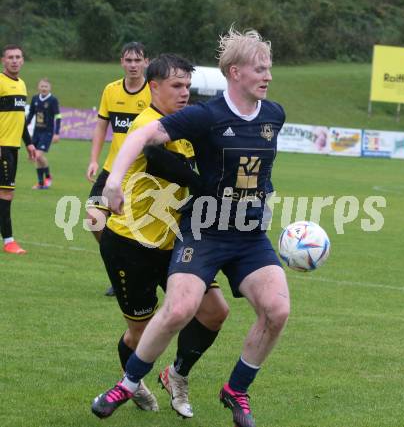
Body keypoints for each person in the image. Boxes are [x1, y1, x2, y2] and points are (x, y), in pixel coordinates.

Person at [93, 28, 291, 427]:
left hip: (249, 234)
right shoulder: (208, 115)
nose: (268, 76)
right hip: (204, 229)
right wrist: (111, 180)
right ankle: (129, 383)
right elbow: (147, 134)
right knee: (180, 308)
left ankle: (236, 389)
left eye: (269, 68)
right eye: (259, 69)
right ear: (235, 72)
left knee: (277, 309)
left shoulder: (275, 114)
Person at [93, 54, 229, 418]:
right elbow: (158, 160)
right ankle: (132, 382)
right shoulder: (148, 124)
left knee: (215, 311)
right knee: (140, 336)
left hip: (178, 244)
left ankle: (177, 374)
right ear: (154, 87)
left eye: (188, 86)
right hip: (130, 246)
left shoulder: (183, 125)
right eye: (176, 86)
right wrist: (204, 186)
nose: (184, 93)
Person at [85, 41, 150, 296]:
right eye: (129, 60)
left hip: (142, 172)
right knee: (94, 219)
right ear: (122, 62)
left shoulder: (153, 92)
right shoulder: (111, 90)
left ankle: (138, 275)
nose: (133, 65)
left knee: (136, 230)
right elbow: (101, 126)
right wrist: (93, 159)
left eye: (138, 60)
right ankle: (119, 268)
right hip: (113, 169)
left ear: (146, 62)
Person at [0, 44, 36, 254]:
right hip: (2, 147)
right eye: (10, 57)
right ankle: (9, 241)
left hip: (13, 148)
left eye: (18, 57)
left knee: (5, 194)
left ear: (22, 60)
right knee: (6, 194)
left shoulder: (21, 84)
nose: (14, 60)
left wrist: (28, 142)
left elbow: (19, 118)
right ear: (4, 60)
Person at [26, 78, 61, 189]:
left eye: (46, 86)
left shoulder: (53, 100)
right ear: (38, 87)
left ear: (49, 88)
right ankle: (41, 183)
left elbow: (58, 116)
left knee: (37, 155)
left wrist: (56, 133)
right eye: (42, 86)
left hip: (47, 133)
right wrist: (24, 126)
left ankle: (48, 178)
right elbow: (31, 114)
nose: (44, 88)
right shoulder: (35, 99)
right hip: (36, 132)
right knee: (38, 158)